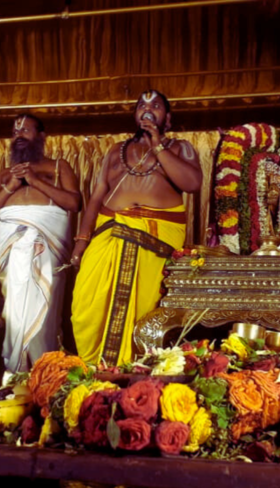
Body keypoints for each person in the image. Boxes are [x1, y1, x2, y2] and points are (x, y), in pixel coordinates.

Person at [71, 90, 202, 367]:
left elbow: (192, 184)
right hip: (109, 231)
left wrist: (158, 146)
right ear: (134, 114)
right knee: (86, 304)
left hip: (154, 234)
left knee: (143, 308)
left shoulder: (181, 147)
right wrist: (81, 242)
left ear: (167, 117)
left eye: (155, 105)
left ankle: (133, 370)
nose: (147, 109)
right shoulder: (115, 150)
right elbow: (96, 196)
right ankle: (93, 369)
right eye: (142, 105)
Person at [0, 114, 81, 374]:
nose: (19, 135)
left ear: (42, 136)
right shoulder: (5, 175)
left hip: (47, 245)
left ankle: (43, 372)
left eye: (26, 130)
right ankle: (15, 373)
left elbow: (74, 204)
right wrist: (10, 187)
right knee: (14, 309)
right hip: (13, 248)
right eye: (15, 132)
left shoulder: (59, 167)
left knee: (45, 311)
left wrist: (35, 181)